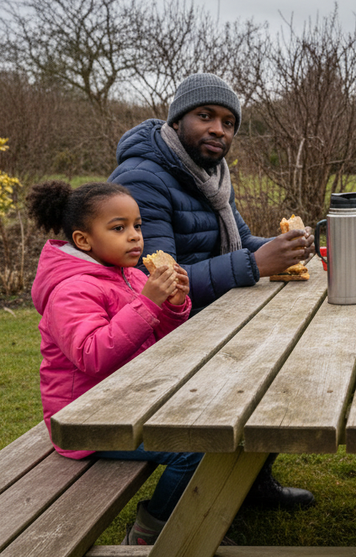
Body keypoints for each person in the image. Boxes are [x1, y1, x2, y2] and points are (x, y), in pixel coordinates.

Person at [109, 72, 314, 509]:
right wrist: (256, 264)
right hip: (162, 340)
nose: (219, 129)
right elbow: (161, 284)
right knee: (272, 368)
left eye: (229, 122)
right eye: (206, 116)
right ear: (179, 118)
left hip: (210, 322)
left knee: (287, 360)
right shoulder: (144, 178)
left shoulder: (211, 175)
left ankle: (248, 482)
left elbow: (239, 240)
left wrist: (286, 248)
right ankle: (175, 516)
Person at [26, 180, 205, 546]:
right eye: (119, 228)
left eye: (137, 226)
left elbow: (156, 339)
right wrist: (149, 303)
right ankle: (151, 529)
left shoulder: (131, 275)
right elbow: (93, 355)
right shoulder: (71, 290)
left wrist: (172, 303)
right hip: (87, 420)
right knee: (197, 445)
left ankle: (202, 516)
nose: (135, 237)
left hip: (126, 402)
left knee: (215, 412)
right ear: (83, 240)